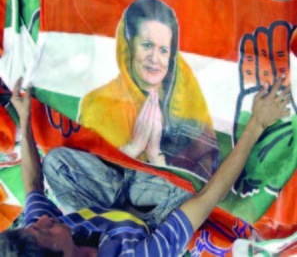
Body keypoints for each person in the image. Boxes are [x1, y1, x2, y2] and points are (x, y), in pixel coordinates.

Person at [0, 74, 290, 257]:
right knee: (194, 174)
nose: (41, 220)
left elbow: (34, 186)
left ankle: (130, 173)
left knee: (55, 164)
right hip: (151, 222)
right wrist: (258, 123)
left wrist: (25, 118)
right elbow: (208, 198)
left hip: (107, 208)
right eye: (44, 231)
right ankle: (142, 173)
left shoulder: (38, 234)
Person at [80, 0, 220, 179]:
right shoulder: (97, 105)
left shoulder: (185, 95)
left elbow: (207, 168)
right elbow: (87, 183)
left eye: (163, 50)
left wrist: (156, 159)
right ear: (129, 45)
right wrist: (131, 150)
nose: (154, 59)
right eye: (147, 45)